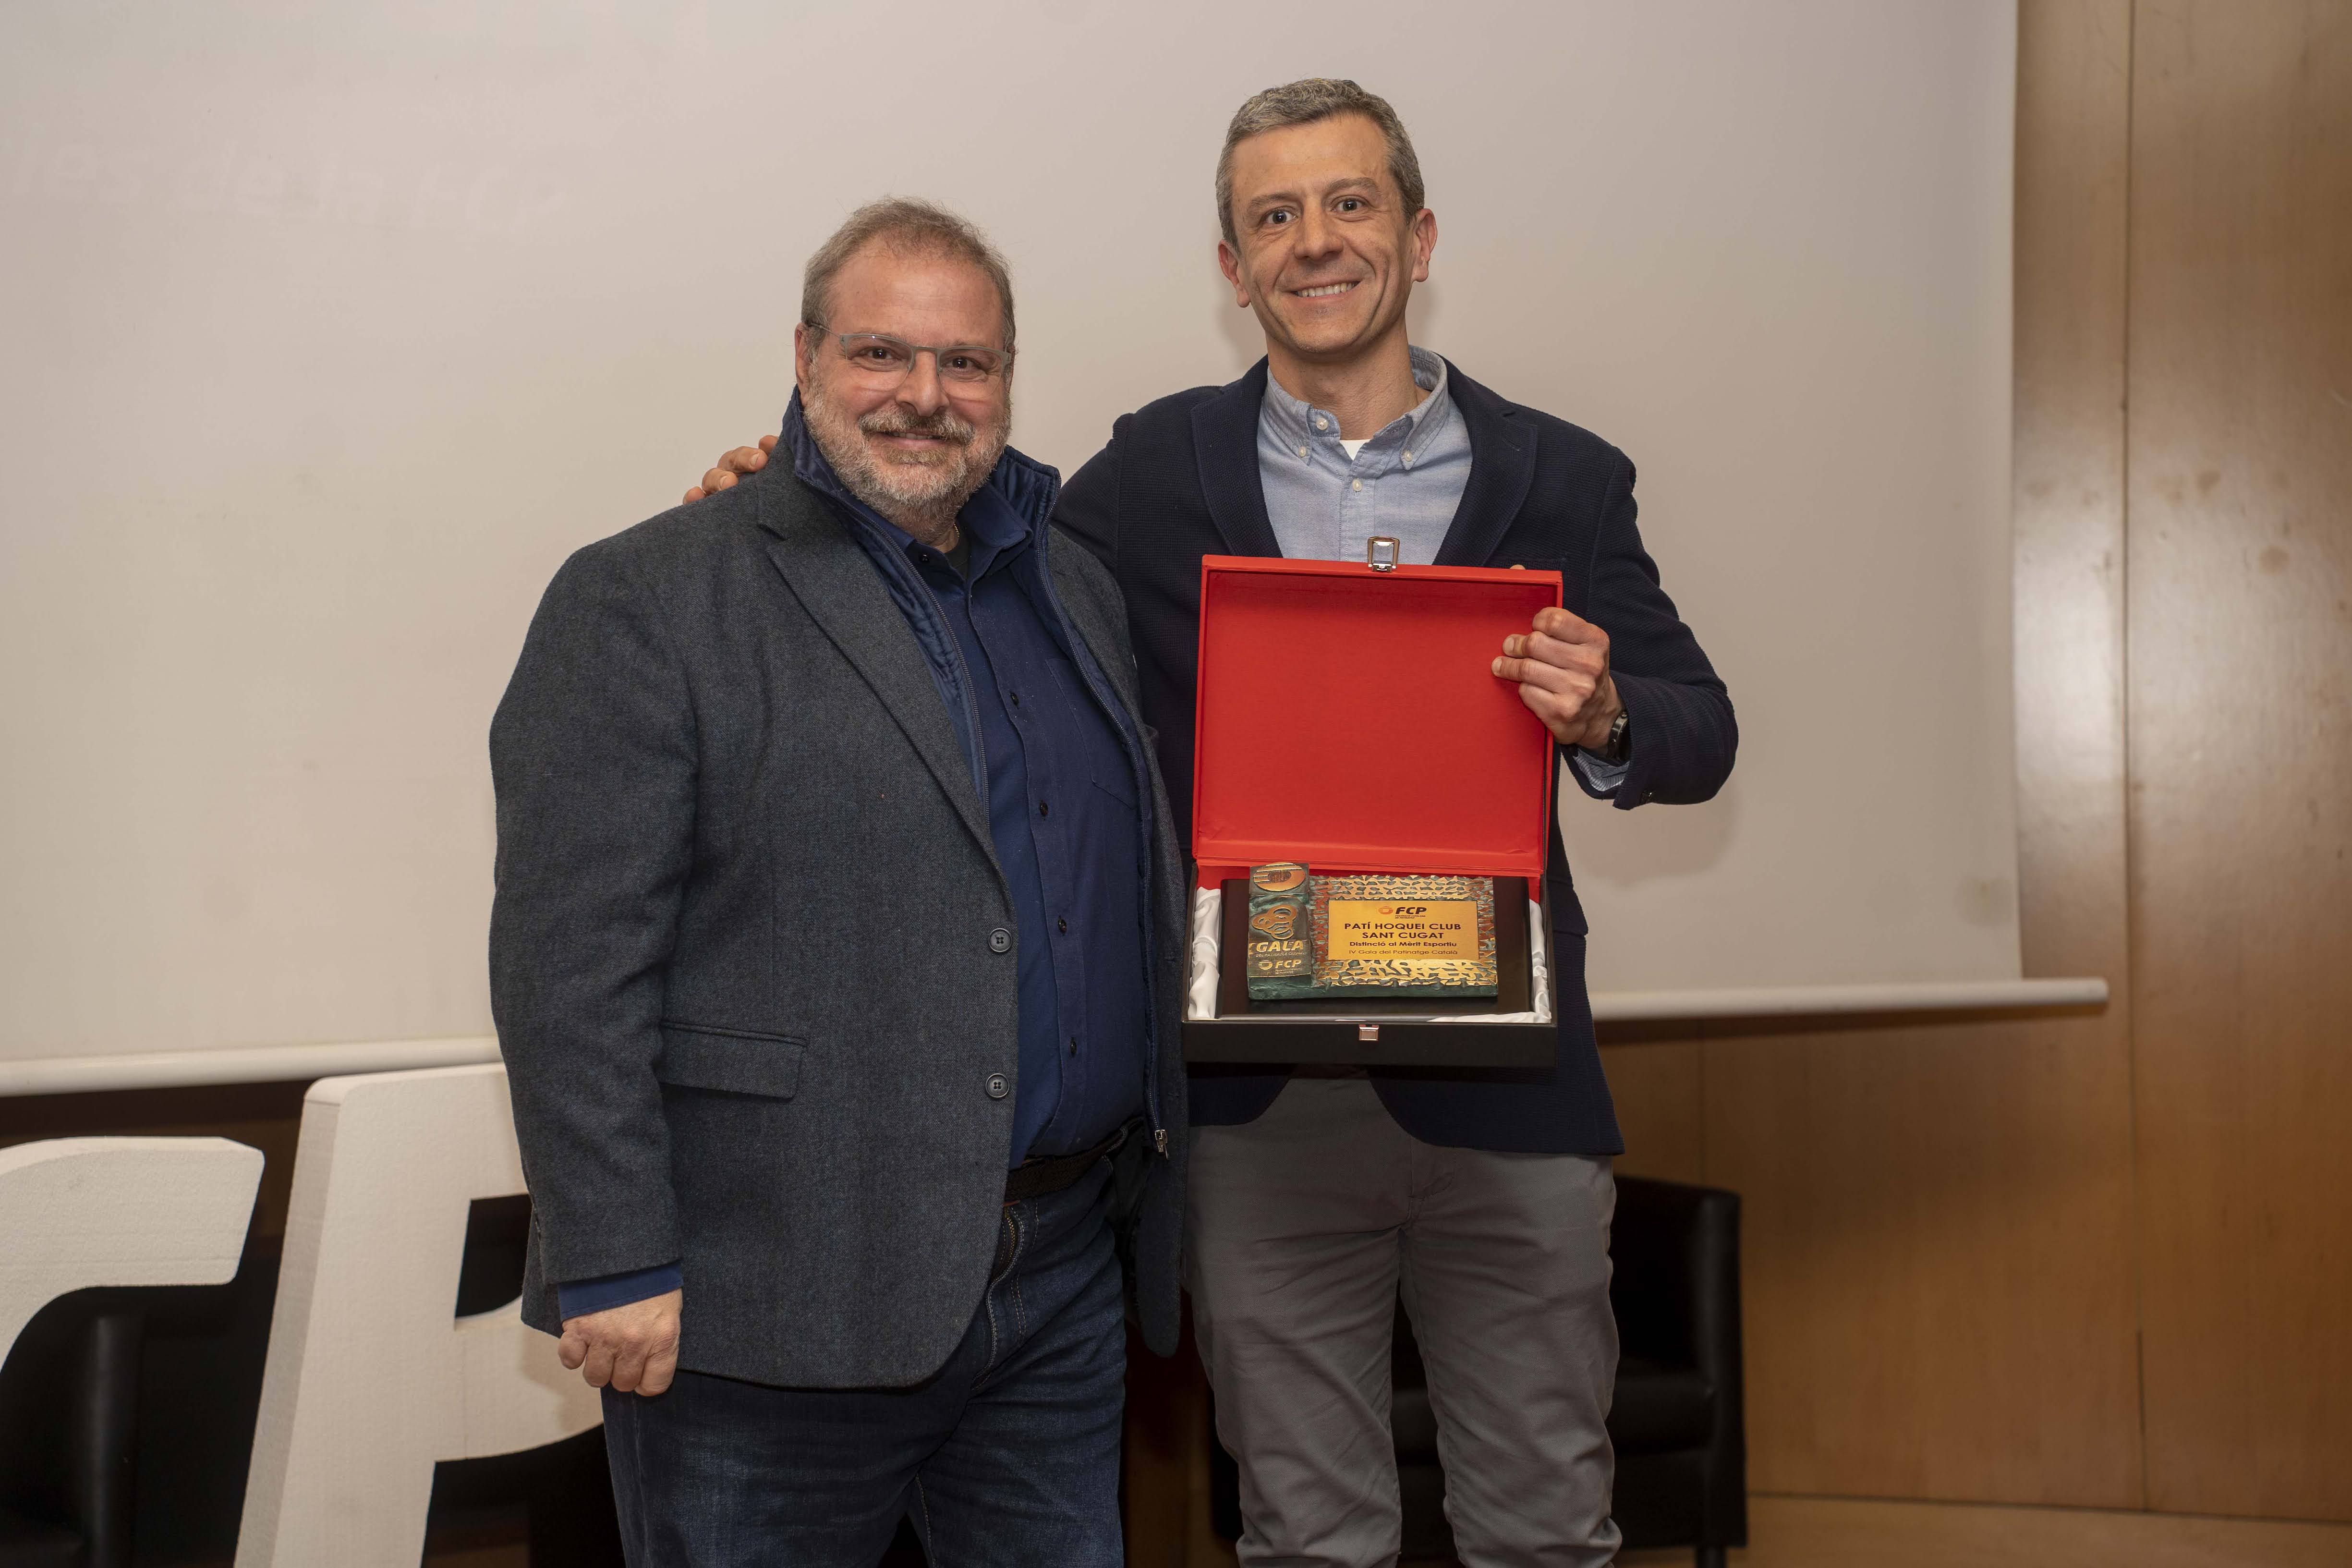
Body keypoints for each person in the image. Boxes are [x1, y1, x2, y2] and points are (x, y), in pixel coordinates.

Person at [691, 80, 1735, 1568]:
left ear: (1417, 233)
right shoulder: (1152, 469)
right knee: (1304, 1536)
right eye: (1271, 216)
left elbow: (1701, 726)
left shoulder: (1560, 474)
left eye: (1349, 202)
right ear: (1233, 268)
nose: (1313, 240)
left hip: (1509, 1095)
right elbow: (958, 557)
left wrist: (1613, 710)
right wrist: (788, 504)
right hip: (1253, 1100)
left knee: (1549, 1529)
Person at [490, 197, 1189, 1567]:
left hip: (1056, 1283)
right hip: (770, 1302)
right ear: (805, 358)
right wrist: (616, 1259)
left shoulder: (1071, 587)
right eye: (883, 354)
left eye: (967, 363)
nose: (926, 396)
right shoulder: (648, 596)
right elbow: (569, 964)